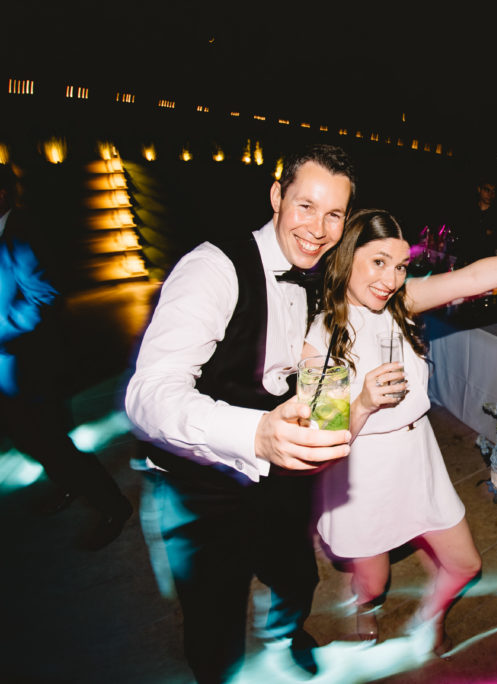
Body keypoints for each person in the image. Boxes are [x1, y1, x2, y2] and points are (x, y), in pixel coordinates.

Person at [303, 186, 497, 653]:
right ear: (346, 257)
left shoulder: (400, 302)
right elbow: (323, 443)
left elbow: (473, 277)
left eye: (400, 266)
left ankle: (430, 614)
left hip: (418, 461)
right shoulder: (322, 338)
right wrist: (364, 402)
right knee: (374, 582)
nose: (391, 279)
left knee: (466, 564)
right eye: (378, 262)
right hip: (362, 476)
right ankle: (363, 606)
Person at [124, 144, 356, 684]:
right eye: (305, 206)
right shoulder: (213, 269)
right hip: (198, 485)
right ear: (277, 196)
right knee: (214, 622)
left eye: (334, 215)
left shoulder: (316, 269)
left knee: (297, 575)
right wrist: (254, 433)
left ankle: (287, 632)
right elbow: (148, 395)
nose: (318, 229)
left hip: (278, 473)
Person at [0, 158, 133, 546]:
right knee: (27, 439)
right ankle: (68, 484)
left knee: (54, 442)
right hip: (2, 369)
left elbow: (44, 300)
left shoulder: (24, 238)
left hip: (34, 370)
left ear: (0, 195)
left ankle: (113, 506)